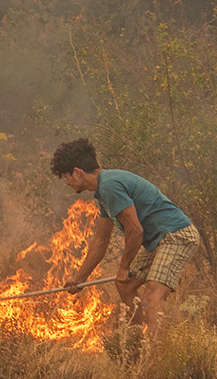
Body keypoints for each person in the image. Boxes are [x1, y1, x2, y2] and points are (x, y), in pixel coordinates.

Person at [50, 137, 199, 333]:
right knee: (126, 286)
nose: (67, 183)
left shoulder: (110, 186)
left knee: (151, 299)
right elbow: (101, 241)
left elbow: (136, 231)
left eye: (66, 177)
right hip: (160, 241)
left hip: (177, 236)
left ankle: (157, 359)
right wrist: (79, 280)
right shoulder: (103, 192)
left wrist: (124, 266)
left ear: (77, 172)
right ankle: (136, 346)